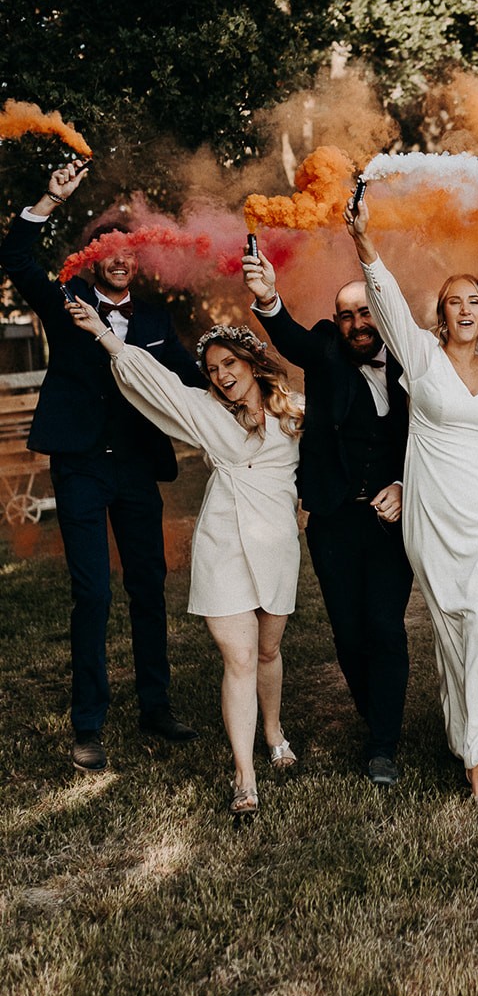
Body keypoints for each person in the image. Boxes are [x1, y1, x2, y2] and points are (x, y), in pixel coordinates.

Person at [348, 196, 478, 810]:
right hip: (434, 516)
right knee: (457, 634)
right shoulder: (420, 358)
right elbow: (384, 298)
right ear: (440, 315)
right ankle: (476, 759)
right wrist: (365, 243)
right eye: (453, 301)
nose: (465, 309)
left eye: (474, 301)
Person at [0, 160, 202, 772]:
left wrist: (247, 388)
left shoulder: (155, 321)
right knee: (92, 594)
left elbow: (191, 377)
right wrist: (49, 198)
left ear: (137, 260)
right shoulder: (66, 301)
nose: (119, 257)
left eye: (128, 247)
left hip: (137, 467)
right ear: (94, 257)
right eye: (108, 246)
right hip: (81, 465)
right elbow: (14, 259)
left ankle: (155, 705)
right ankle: (87, 723)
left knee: (148, 585)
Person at [66, 298, 303, 815]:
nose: (221, 377)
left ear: (253, 362)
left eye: (230, 366)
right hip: (223, 542)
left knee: (266, 651)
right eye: (213, 370)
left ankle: (273, 730)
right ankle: (245, 778)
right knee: (238, 658)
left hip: (276, 543)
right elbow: (157, 382)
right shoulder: (205, 410)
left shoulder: (295, 412)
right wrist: (103, 334)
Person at [242, 249, 413, 788]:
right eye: (347, 314)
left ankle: (382, 743)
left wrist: (405, 487)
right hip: (334, 519)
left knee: (385, 625)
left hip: (393, 519)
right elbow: (287, 335)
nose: (357, 324)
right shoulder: (325, 351)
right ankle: (374, 714)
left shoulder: (415, 359)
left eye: (366, 313)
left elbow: (430, 440)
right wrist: (268, 296)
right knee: (348, 631)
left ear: (383, 315)